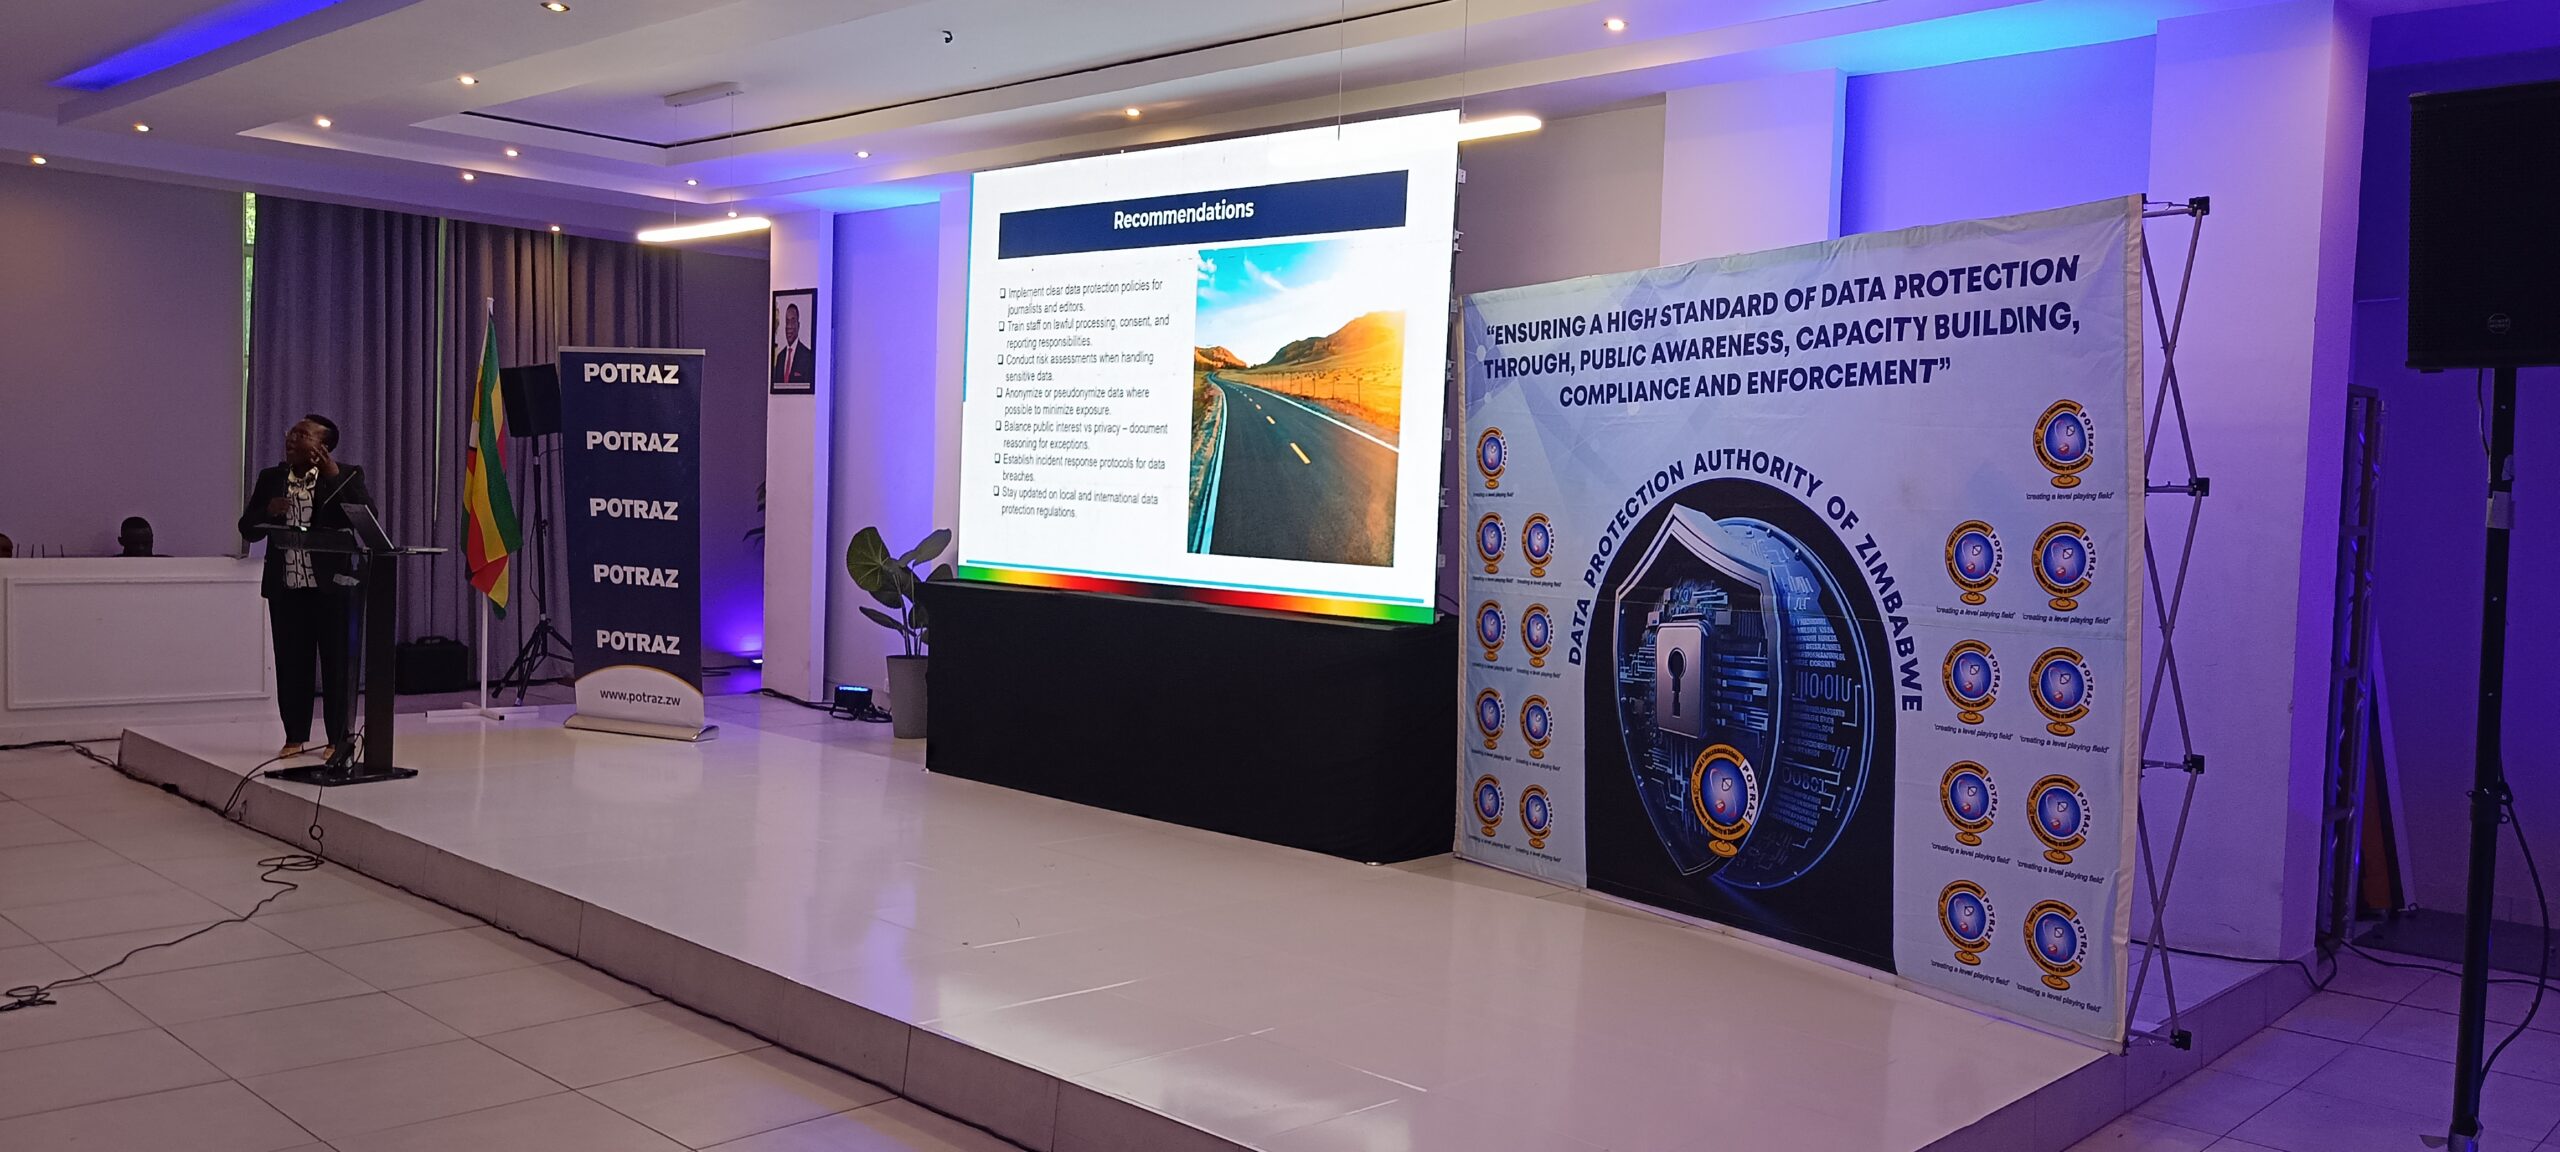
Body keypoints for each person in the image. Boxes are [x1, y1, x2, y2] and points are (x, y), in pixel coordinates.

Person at [239, 414, 371, 760]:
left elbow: (365, 517)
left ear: (322, 446)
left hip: (333, 588)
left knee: (337, 664)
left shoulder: (347, 475)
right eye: (291, 433)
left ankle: (338, 739)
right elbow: (247, 528)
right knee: (291, 664)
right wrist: (267, 511)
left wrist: (333, 475)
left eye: (302, 434)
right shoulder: (271, 478)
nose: (292, 439)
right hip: (287, 587)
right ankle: (294, 735)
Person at [772, 302, 814, 384]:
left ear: (798, 325)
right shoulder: (780, 357)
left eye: (792, 321)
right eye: (787, 322)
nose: (789, 326)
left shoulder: (807, 356)